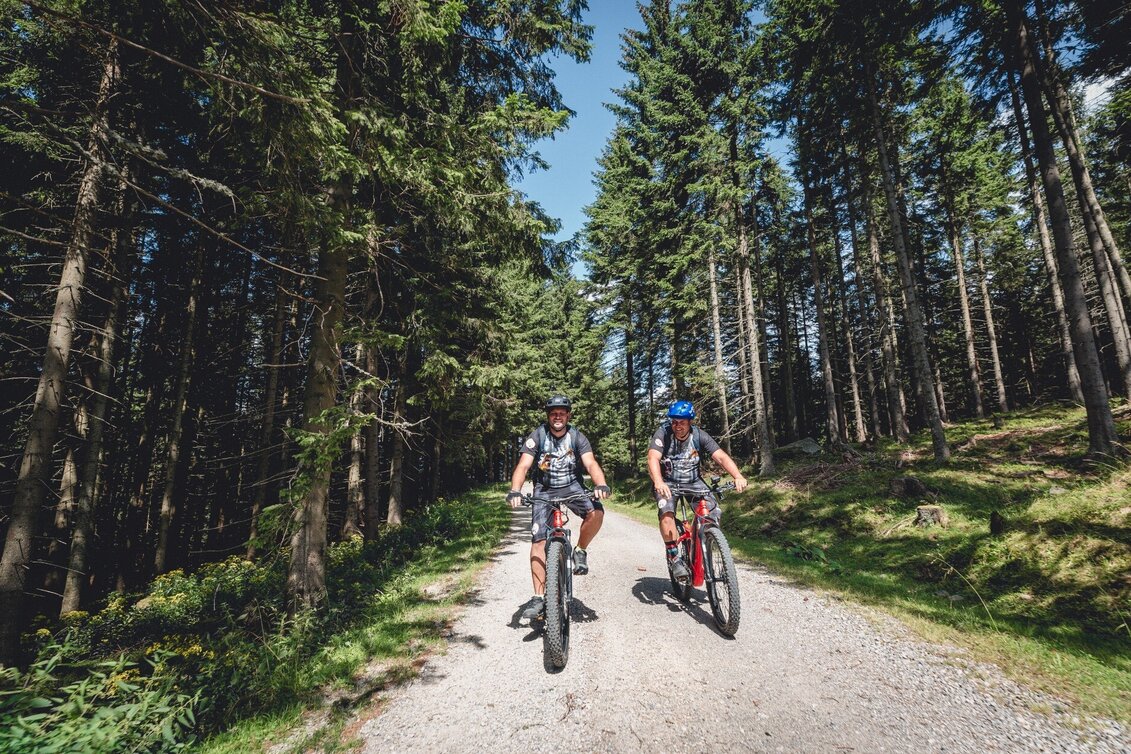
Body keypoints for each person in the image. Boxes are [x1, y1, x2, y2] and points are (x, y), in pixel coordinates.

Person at [507, 395, 610, 624]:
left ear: (568, 415)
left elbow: (590, 463)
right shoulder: (538, 435)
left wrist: (600, 484)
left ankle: (580, 550)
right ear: (548, 416)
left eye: (562, 413)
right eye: (553, 413)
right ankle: (537, 597)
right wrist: (515, 490)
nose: (557, 417)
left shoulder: (577, 436)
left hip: (572, 485)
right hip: (544, 489)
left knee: (596, 513)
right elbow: (523, 465)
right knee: (538, 541)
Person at [647, 400, 747, 582]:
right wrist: (658, 481)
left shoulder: (699, 436)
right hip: (668, 483)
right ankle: (674, 557)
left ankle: (706, 540)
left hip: (694, 482)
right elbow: (653, 458)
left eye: (682, 422)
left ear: (690, 422)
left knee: (712, 511)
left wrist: (737, 476)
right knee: (666, 514)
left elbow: (721, 457)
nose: (677, 426)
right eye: (674, 422)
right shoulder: (663, 433)